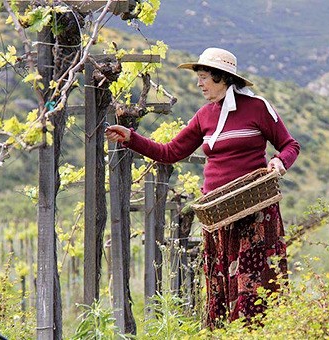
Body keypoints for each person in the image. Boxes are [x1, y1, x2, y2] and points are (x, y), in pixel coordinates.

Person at [105, 47, 300, 327]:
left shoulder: (257, 108)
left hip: (255, 210)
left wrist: (280, 162)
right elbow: (171, 152)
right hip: (218, 214)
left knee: (253, 285)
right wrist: (131, 138)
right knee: (222, 283)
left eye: (204, 77)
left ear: (222, 77)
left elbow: (290, 145)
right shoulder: (204, 115)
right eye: (199, 77)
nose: (199, 83)